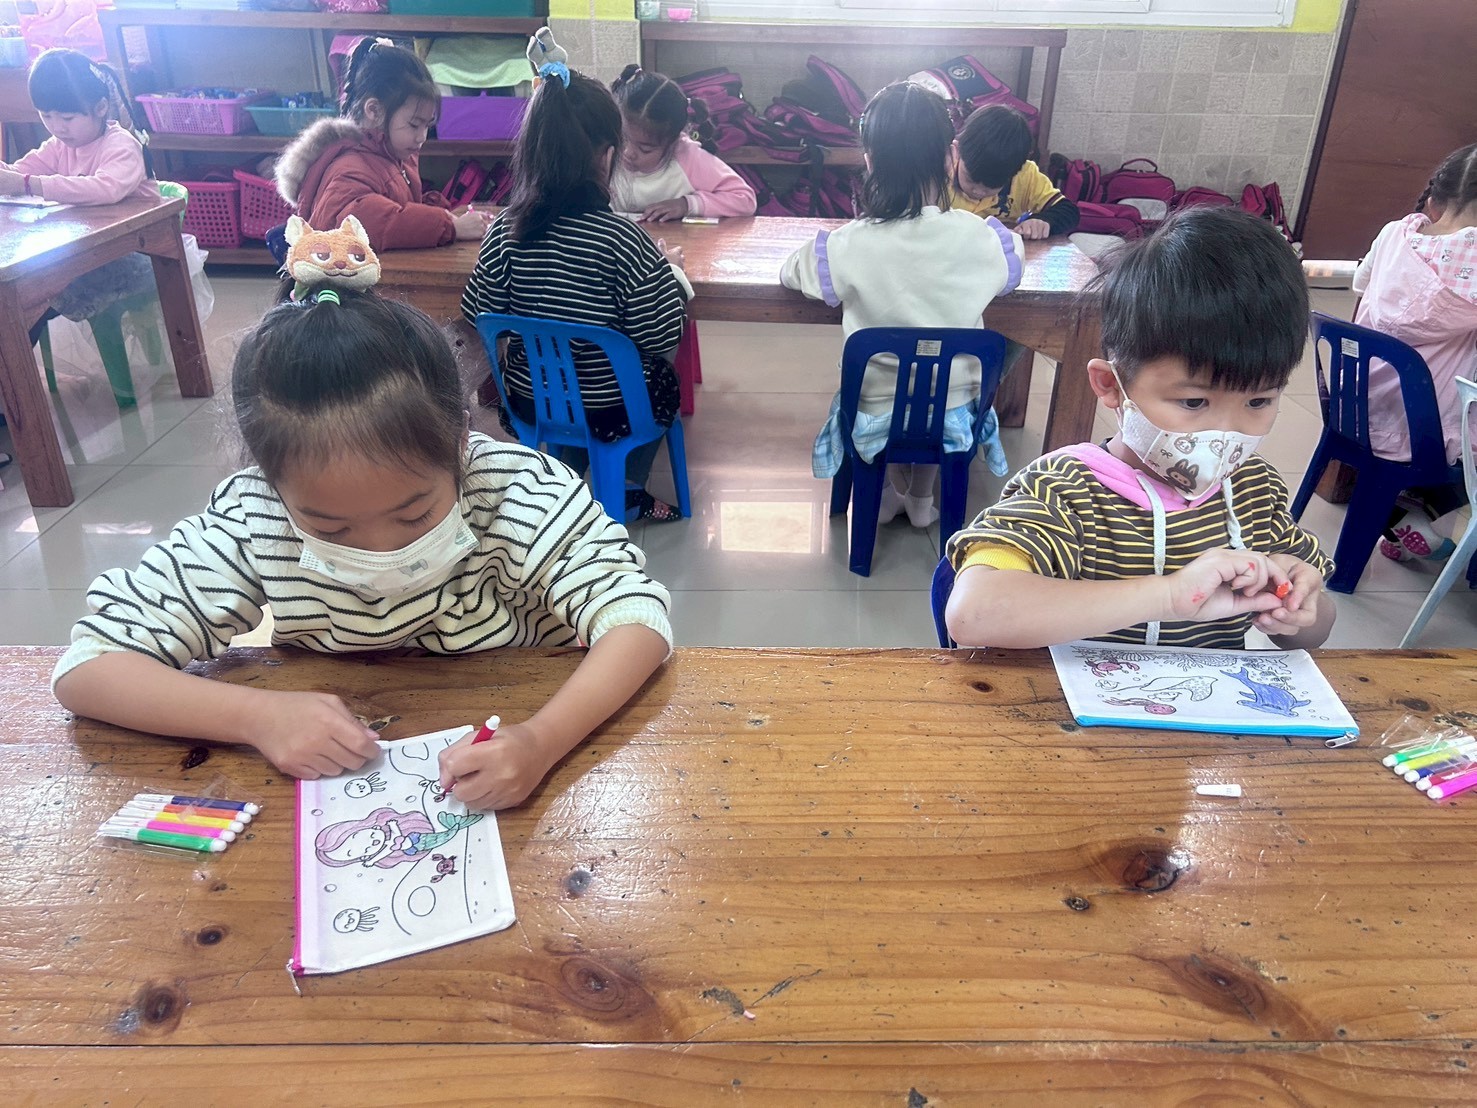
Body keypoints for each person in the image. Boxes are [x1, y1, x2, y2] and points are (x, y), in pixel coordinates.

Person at [51, 286, 673, 813]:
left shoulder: (513, 491)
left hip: (522, 740)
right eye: (332, 528)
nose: (382, 550)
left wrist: (540, 740)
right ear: (271, 482)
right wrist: (256, 716)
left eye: (415, 513)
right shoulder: (254, 518)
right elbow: (89, 668)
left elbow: (637, 619)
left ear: (460, 442)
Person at [945, 207, 1337, 651]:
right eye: (1194, 402)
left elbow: (1315, 632)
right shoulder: (1065, 491)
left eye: (1258, 401)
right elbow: (973, 614)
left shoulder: (1254, 490)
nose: (1226, 433)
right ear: (1111, 385)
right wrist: (1169, 596)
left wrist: (1298, 606)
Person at [780, 82, 1022, 528]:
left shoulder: (847, 245)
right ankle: (921, 498)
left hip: (875, 410)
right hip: (954, 413)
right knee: (938, 395)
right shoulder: (983, 238)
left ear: (870, 160)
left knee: (885, 395)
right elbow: (1014, 270)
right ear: (950, 157)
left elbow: (792, 272)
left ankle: (887, 492)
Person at [462, 62, 690, 522]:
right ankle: (626, 485)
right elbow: (661, 335)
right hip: (611, 409)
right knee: (657, 372)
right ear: (606, 155)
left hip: (530, 401)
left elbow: (478, 312)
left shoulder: (504, 231)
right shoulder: (623, 240)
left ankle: (564, 473)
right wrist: (671, 276)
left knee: (565, 376)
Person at [1352, 142, 1477, 564]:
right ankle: (1426, 513)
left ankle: (1400, 517)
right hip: (1426, 426)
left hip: (1358, 403)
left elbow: (1359, 286)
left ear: (1434, 202)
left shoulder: (1395, 234)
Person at [0, 49, 159, 359]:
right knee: (19, 296)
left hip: (128, 256)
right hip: (83, 253)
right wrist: (9, 176)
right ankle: (11, 375)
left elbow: (106, 189)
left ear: (100, 108)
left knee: (26, 297)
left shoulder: (121, 145)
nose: (57, 127)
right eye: (46, 116)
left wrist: (28, 184)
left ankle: (11, 375)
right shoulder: (58, 145)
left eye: (68, 117)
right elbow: (20, 172)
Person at [275, 37, 487, 250]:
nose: (422, 137)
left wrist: (440, 212)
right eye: (414, 125)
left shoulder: (392, 152)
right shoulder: (348, 170)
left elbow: (397, 205)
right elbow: (377, 222)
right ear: (374, 111)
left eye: (427, 126)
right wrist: (449, 226)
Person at [608, 64, 756, 222]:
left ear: (672, 143)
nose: (627, 153)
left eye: (645, 149)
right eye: (622, 140)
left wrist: (687, 205)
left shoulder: (687, 157)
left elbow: (745, 200)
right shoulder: (606, 151)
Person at [946, 105, 1079, 241]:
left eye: (993, 185)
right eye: (970, 179)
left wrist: (1043, 221)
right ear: (956, 151)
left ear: (1016, 171)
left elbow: (1068, 211)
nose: (978, 192)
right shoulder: (940, 171)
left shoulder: (1025, 176)